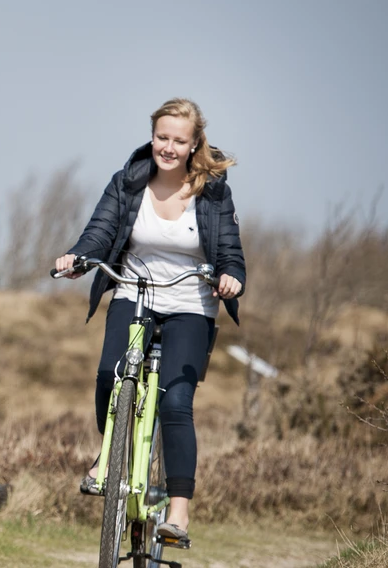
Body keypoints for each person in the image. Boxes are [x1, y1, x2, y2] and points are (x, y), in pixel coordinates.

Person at [53, 98, 245, 545]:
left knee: (175, 403)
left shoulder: (213, 191)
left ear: (195, 143)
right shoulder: (128, 182)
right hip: (134, 293)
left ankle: (178, 513)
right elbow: (99, 232)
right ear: (152, 136)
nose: (169, 147)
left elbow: (231, 252)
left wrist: (232, 277)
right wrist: (80, 258)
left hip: (190, 304)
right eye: (162, 137)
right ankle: (108, 455)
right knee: (109, 376)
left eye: (179, 140)